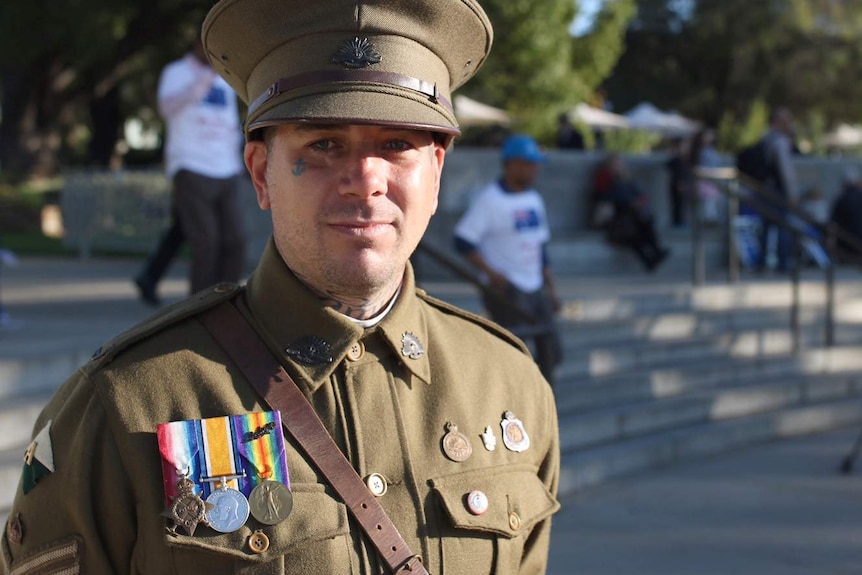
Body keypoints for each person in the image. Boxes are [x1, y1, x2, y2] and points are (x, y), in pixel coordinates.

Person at [2, 2, 560, 574]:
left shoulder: (509, 385)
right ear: (260, 172)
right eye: (323, 144)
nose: (366, 180)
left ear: (436, 174)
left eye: (397, 145)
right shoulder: (127, 405)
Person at [134, 34, 246, 305]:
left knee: (236, 240)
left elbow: (230, 124)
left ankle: (225, 301)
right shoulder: (176, 72)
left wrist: (239, 160)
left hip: (226, 168)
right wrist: (199, 84)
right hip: (191, 165)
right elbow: (167, 107)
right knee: (206, 242)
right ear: (197, 45)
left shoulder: (225, 79)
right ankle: (198, 307)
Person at [453, 134, 563, 385]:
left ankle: (544, 401)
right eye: (530, 163)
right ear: (512, 164)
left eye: (537, 163)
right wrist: (491, 274)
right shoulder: (490, 200)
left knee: (553, 351)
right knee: (515, 351)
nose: (536, 169)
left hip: (535, 286)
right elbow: (462, 240)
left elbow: (541, 248)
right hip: (508, 288)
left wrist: (552, 288)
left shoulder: (534, 198)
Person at [603, 153, 671, 271]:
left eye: (620, 163)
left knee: (645, 224)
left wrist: (638, 201)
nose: (619, 166)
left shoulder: (626, 179)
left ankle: (655, 253)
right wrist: (629, 202)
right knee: (634, 233)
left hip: (633, 216)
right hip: (618, 218)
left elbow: (639, 193)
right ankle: (653, 256)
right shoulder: (607, 179)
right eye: (616, 164)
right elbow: (607, 197)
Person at [759, 107, 800, 272]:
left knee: (767, 227)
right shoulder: (779, 141)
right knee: (782, 226)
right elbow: (785, 170)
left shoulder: (765, 139)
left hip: (765, 188)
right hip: (777, 190)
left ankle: (762, 262)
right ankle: (784, 262)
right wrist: (792, 193)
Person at [664, 137, 693, 228]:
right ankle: (678, 224)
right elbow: (674, 169)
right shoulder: (677, 159)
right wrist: (680, 182)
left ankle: (681, 223)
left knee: (683, 206)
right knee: (677, 206)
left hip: (684, 185)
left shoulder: (686, 159)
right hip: (678, 185)